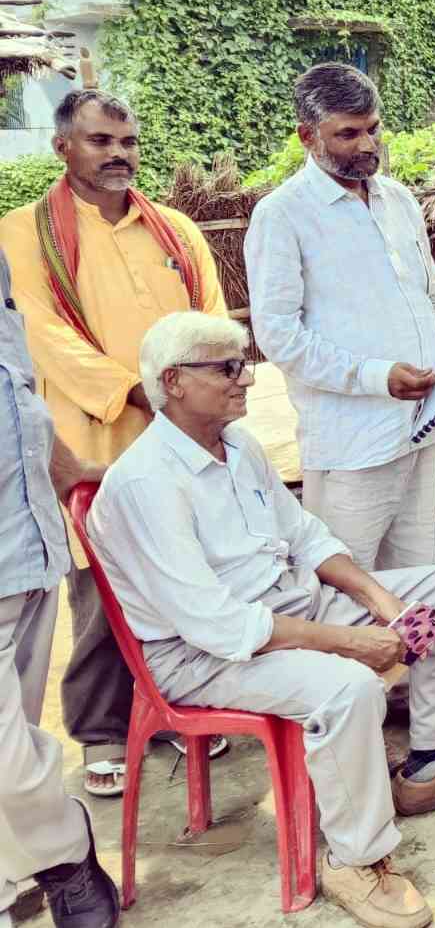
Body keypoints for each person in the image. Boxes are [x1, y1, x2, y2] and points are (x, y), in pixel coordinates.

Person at [86, 312, 435, 928]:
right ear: (175, 381)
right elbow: (219, 626)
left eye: (245, 364)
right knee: (346, 687)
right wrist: (346, 643)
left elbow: (306, 537)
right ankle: (356, 858)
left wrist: (382, 601)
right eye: (228, 368)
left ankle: (428, 766)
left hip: (287, 607)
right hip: (200, 656)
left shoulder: (239, 445)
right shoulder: (145, 484)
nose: (246, 381)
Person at [0, 89, 229, 798]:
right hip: (92, 433)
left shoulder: (175, 231)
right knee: (101, 587)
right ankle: (101, 731)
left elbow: (211, 317)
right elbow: (41, 334)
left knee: (187, 566)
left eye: (126, 141)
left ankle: (174, 705)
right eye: (100, 141)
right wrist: (142, 392)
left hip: (183, 433)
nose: (118, 154)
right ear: (63, 146)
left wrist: (211, 384)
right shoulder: (21, 234)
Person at [245, 63, 435, 575]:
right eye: (348, 133)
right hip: (352, 445)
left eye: (373, 127)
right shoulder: (282, 214)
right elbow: (279, 335)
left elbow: (431, 294)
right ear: (308, 136)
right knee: (350, 591)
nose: (367, 143)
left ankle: (419, 661)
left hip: (422, 426)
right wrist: (376, 378)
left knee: (419, 580)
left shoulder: (398, 199)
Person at [1, 252, 120, 928]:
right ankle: (66, 856)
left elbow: (17, 398)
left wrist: (73, 470)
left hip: (27, 542)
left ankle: (12, 874)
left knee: (12, 735)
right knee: (9, 761)